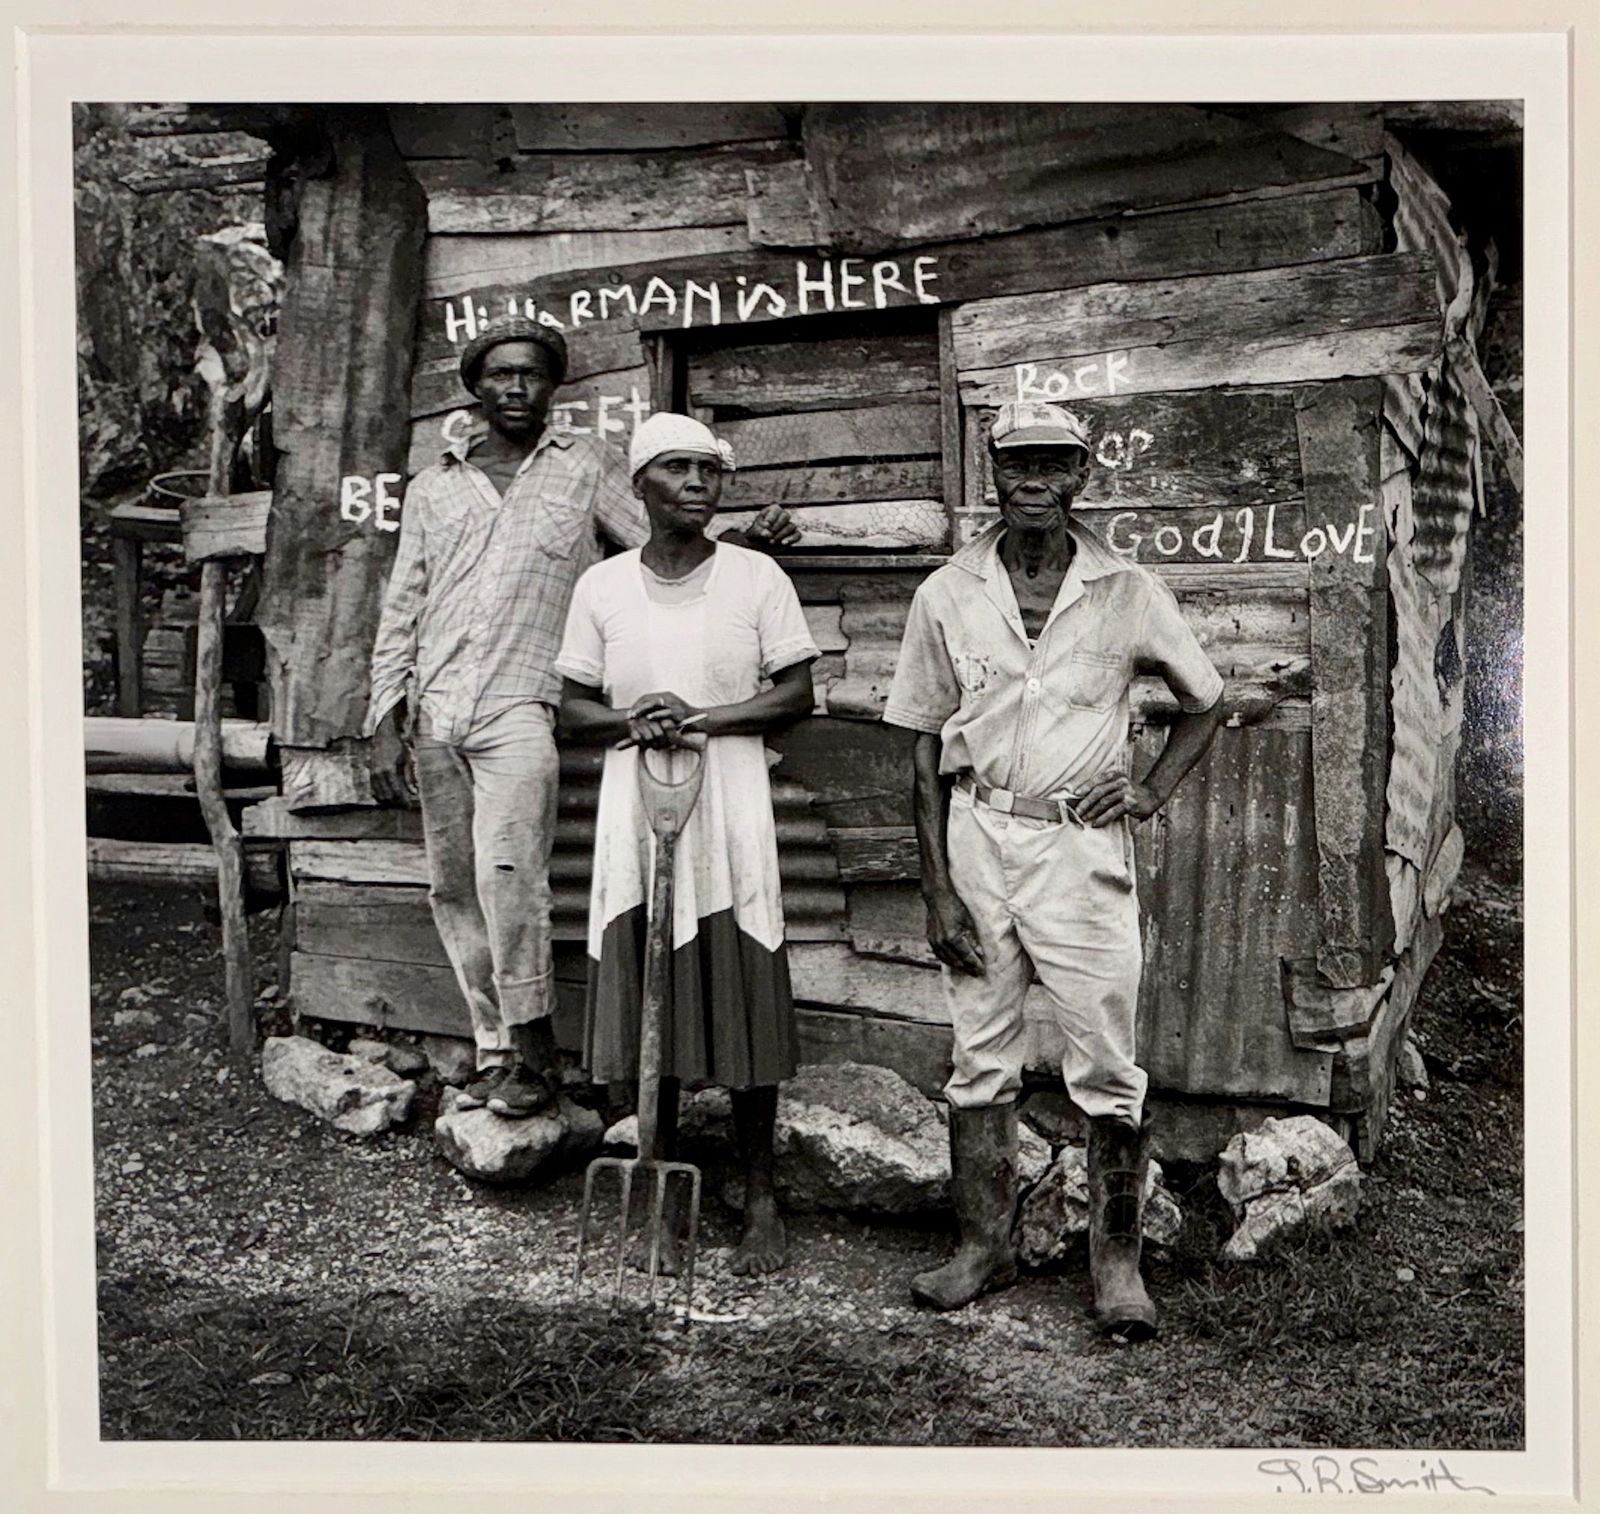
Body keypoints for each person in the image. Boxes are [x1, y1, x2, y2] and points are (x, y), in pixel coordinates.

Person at [365, 322, 798, 1121]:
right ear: (476, 389)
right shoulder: (435, 486)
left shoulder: (586, 467)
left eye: (532, 375)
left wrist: (745, 547)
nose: (516, 389)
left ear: (551, 387)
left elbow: (662, 543)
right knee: (453, 885)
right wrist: (385, 713)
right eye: (500, 376)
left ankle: (535, 1059)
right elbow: (403, 604)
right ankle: (493, 1047)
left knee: (513, 880)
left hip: (523, 704)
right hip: (436, 707)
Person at [882, 400, 1225, 1339]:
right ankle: (982, 1247)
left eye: (1055, 464)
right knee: (978, 1053)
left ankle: (1115, 1266)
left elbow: (1207, 701)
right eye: (1018, 464)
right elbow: (918, 747)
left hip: (1080, 849)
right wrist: (936, 887)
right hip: (977, 836)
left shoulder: (1128, 591)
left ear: (1083, 476)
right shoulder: (948, 591)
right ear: (993, 474)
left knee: (1106, 1059)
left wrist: (1150, 794)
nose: (1035, 481)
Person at [556, 412, 819, 1276]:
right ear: (640, 486)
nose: (697, 483)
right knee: (650, 987)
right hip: (639, 799)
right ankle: (661, 1194)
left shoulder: (756, 576)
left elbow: (792, 695)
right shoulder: (603, 588)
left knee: (741, 982)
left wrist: (700, 718)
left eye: (709, 470)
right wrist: (635, 719)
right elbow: (573, 707)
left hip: (730, 796)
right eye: (676, 469)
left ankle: (761, 1198)